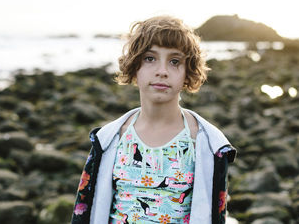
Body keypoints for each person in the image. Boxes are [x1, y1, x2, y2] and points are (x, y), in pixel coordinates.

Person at [71, 15, 236, 224]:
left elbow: (216, 215)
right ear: (134, 67)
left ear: (187, 72)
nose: (162, 71)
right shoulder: (111, 139)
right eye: (150, 58)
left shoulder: (205, 142)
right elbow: (83, 211)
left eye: (175, 61)